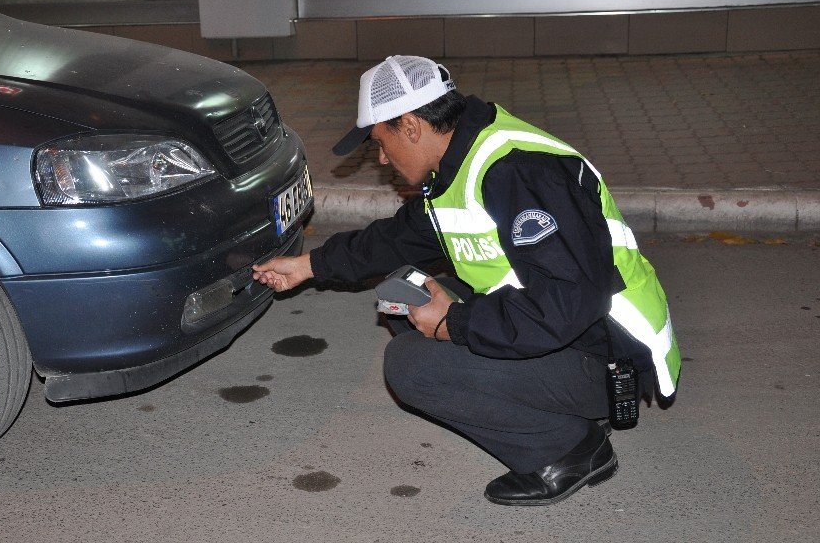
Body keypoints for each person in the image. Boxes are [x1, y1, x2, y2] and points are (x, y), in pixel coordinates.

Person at [252, 55, 681, 506]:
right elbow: (400, 239)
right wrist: (309, 265)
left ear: (412, 125)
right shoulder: (463, 159)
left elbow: (567, 301)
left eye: (381, 142)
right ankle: (559, 410)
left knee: (411, 365)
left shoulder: (518, 173)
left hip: (606, 354)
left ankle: (570, 450)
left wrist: (454, 322)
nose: (381, 158)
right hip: (566, 337)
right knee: (406, 291)